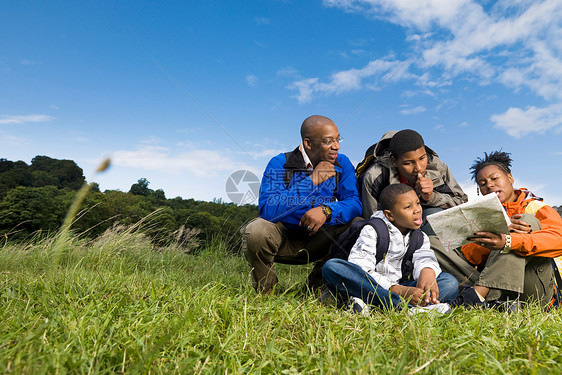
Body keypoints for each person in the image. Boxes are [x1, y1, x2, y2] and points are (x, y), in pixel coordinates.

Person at [241, 115, 362, 294]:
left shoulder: (342, 163)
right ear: (308, 143)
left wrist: (327, 210)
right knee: (256, 230)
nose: (336, 146)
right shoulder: (280, 163)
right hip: (285, 238)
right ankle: (265, 290)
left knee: (359, 225)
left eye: (338, 139)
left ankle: (316, 285)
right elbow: (267, 210)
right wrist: (311, 181)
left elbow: (354, 202)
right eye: (328, 141)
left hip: (321, 237)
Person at [432, 151, 562, 308]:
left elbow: (558, 240)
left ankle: (480, 295)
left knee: (525, 222)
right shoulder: (481, 215)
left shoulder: (536, 207)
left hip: (536, 287)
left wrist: (509, 240)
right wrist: (492, 237)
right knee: (432, 242)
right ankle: (495, 303)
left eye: (494, 178)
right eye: (483, 183)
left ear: (510, 178)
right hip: (492, 279)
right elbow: (470, 257)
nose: (489, 185)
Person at [322, 184, 458, 314]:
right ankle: (405, 309)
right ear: (389, 215)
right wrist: (398, 290)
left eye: (417, 203)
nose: (417, 210)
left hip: (400, 287)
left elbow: (424, 257)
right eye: (408, 207)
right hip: (370, 285)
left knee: (449, 282)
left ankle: (371, 306)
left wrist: (427, 271)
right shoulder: (373, 230)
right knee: (332, 267)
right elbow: (361, 270)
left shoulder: (420, 236)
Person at [358, 129, 467, 233]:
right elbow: (374, 222)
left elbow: (461, 203)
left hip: (426, 223)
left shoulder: (437, 166)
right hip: (393, 230)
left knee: (435, 215)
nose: (419, 168)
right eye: (408, 163)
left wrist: (431, 197)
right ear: (394, 161)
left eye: (422, 158)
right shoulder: (375, 177)